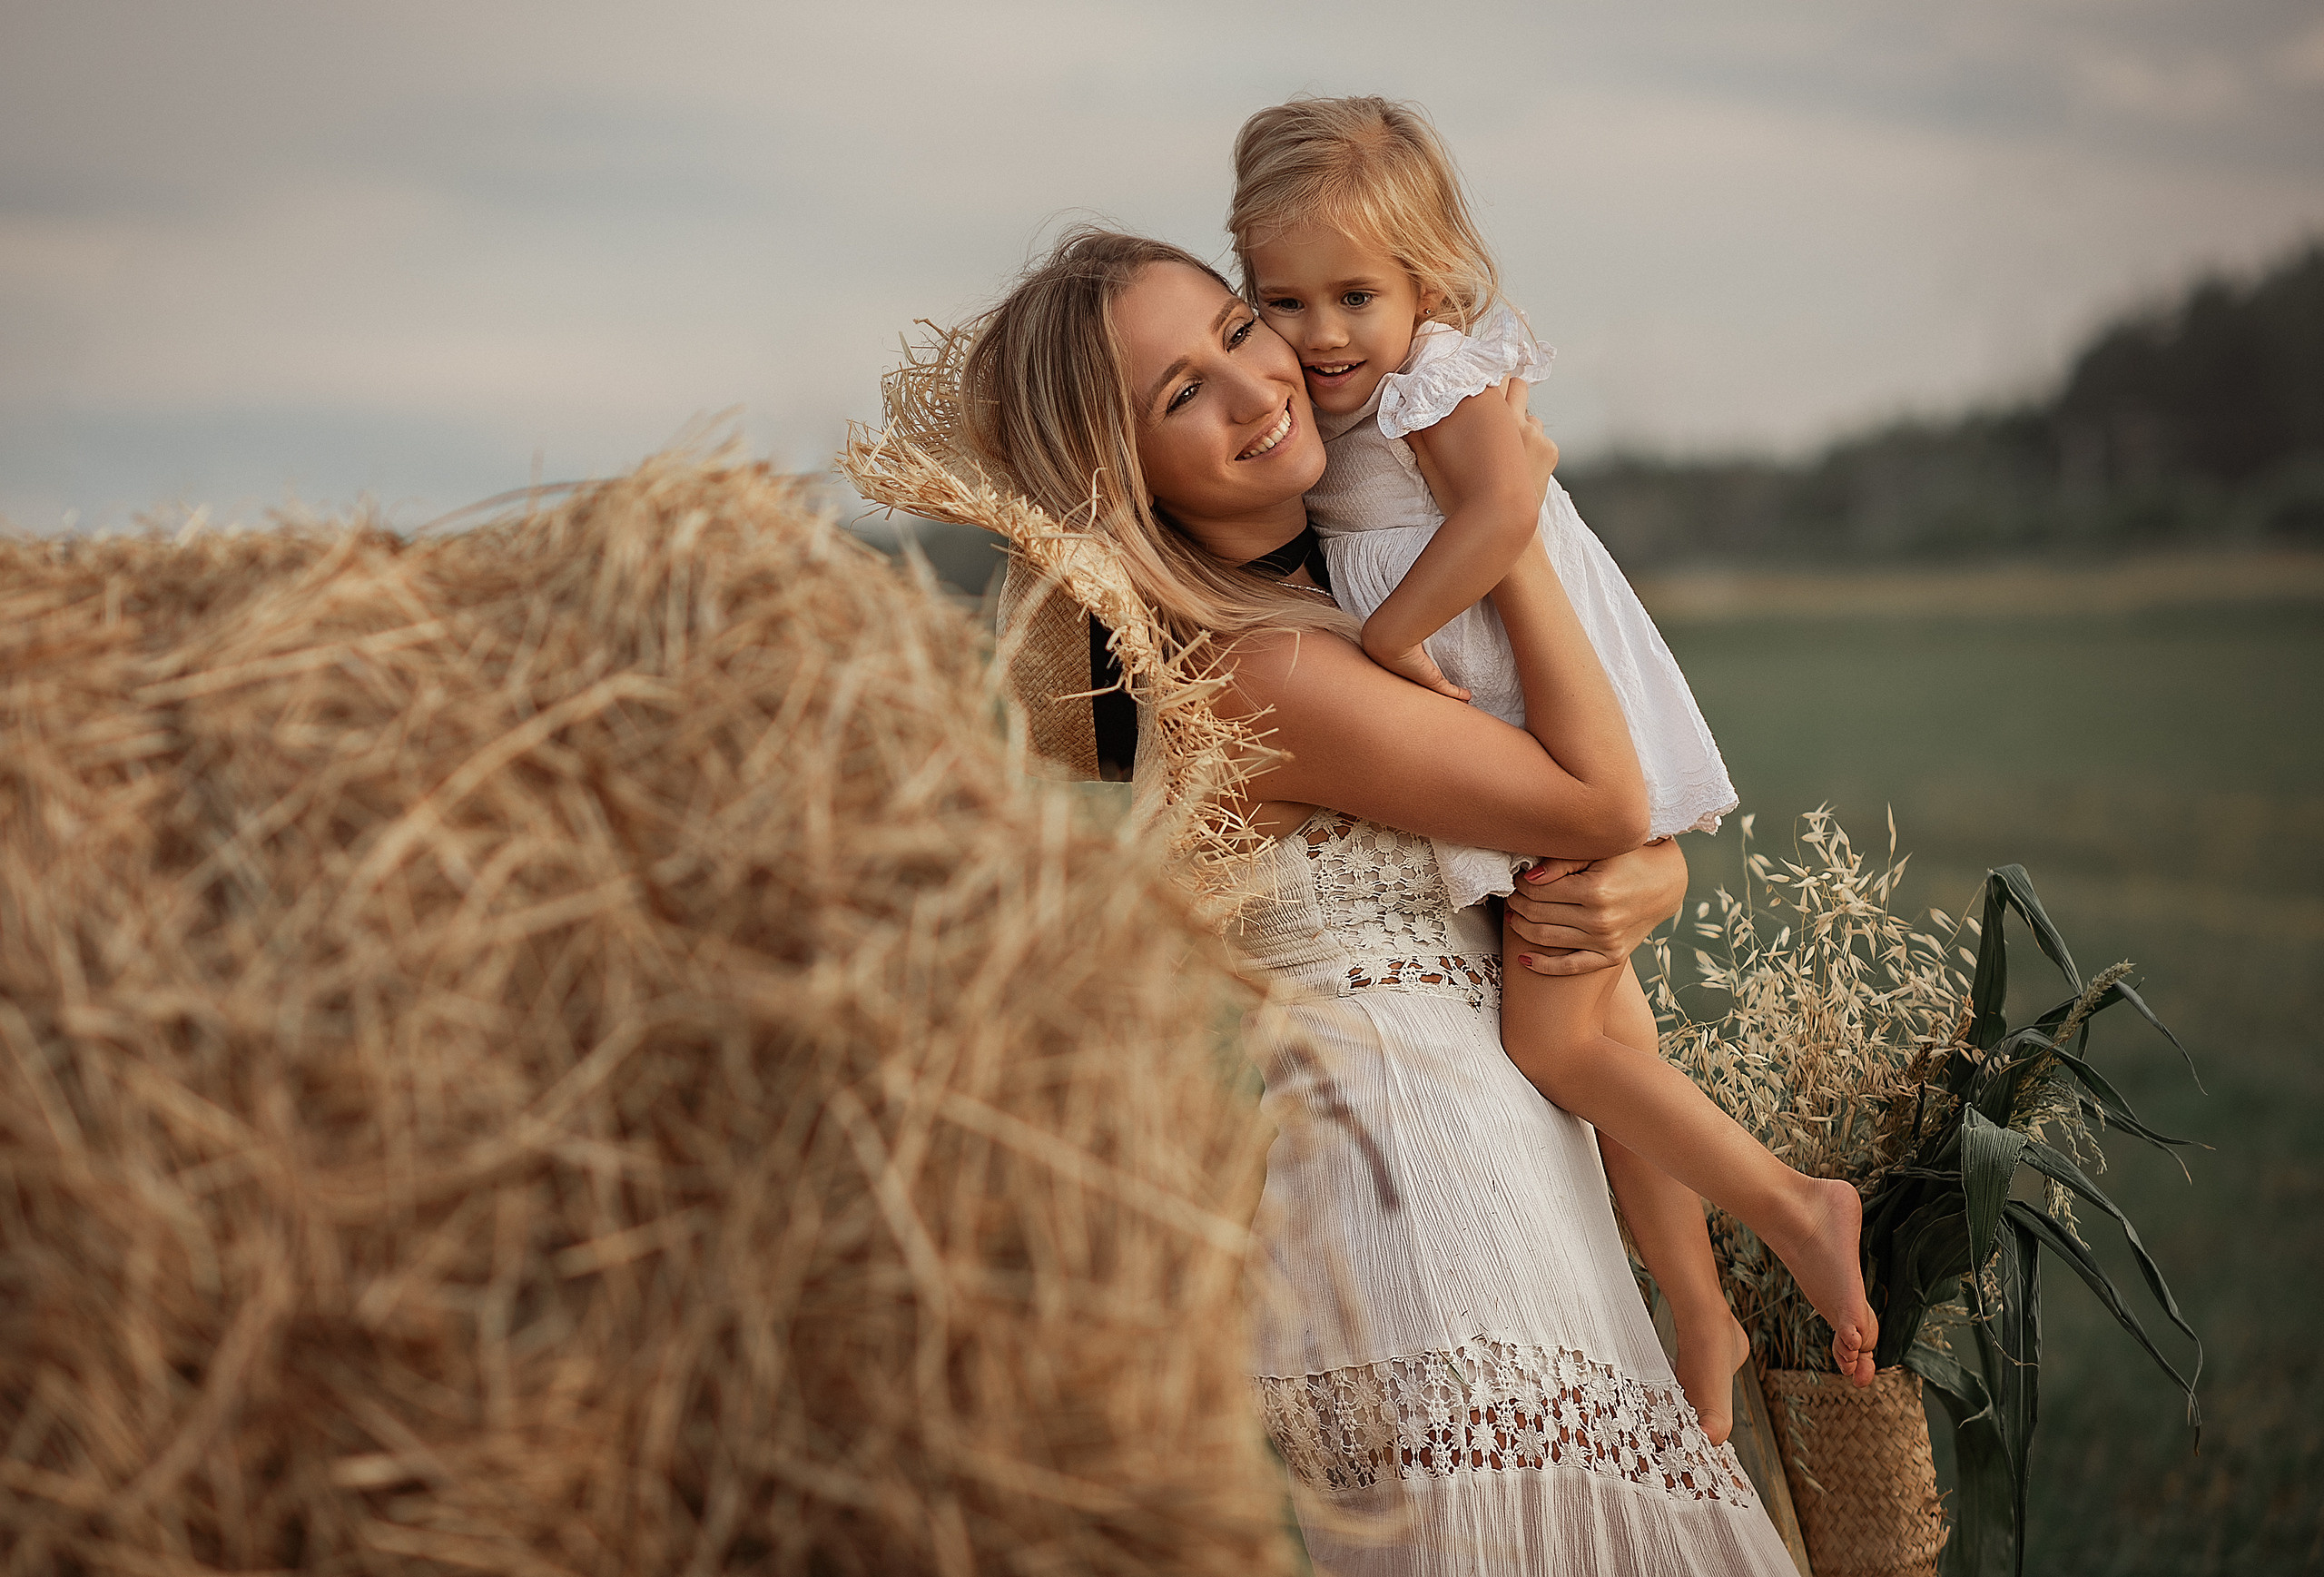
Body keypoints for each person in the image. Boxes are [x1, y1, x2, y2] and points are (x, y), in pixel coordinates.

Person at [955, 226, 1823, 1573]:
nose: (1257, 387)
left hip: (1466, 1164)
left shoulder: (1337, 612)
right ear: (1118, 479)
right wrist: (1502, 516)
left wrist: (1654, 872)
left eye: (1237, 329)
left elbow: (1553, 853)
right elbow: (1597, 799)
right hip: (1430, 1191)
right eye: (1181, 394)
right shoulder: (1265, 673)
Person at [1216, 94, 1877, 1444]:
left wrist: (1390, 634)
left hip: (1545, 724)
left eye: (1354, 295)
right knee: (1612, 1037)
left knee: (1556, 1039)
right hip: (1514, 744)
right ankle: (1701, 1311)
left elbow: (1508, 508)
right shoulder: (1342, 411)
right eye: (1285, 300)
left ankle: (1794, 1207)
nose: (1321, 333)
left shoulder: (1435, 384)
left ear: (1429, 282)